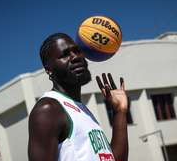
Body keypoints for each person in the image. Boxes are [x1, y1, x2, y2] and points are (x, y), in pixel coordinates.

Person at [28, 33, 128, 161]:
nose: (75, 57)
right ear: (49, 69)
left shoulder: (82, 110)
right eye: (64, 55)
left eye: (77, 51)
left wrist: (120, 112)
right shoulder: (48, 109)